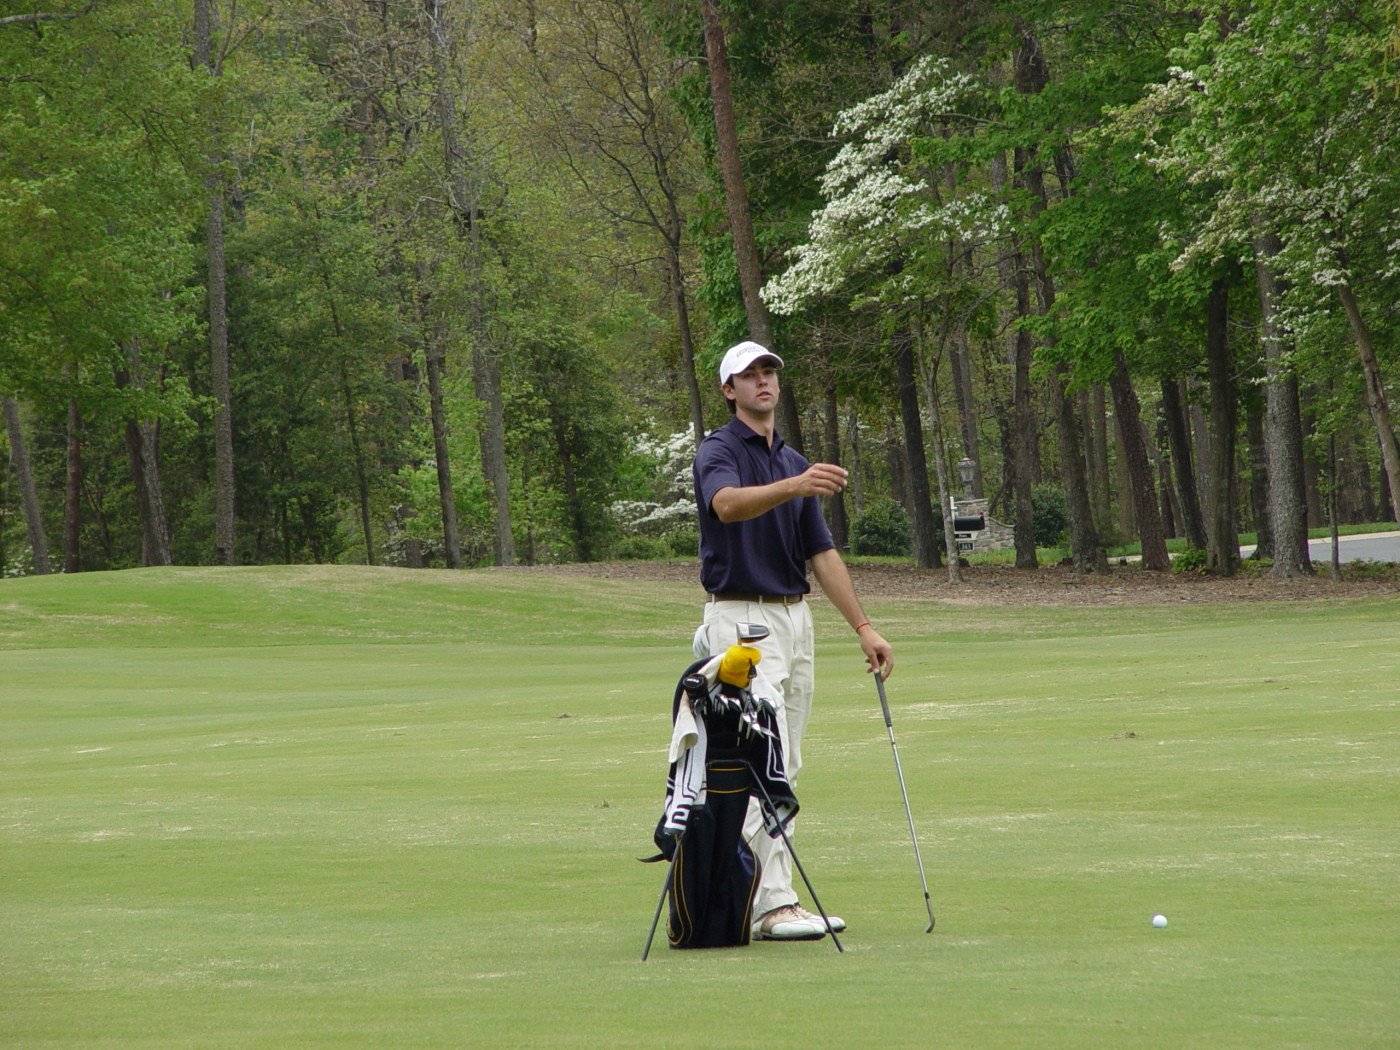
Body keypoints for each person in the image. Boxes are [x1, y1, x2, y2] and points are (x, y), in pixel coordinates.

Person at [692, 339, 894, 941]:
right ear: (729, 390)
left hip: (793, 619)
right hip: (741, 622)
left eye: (769, 372)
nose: (763, 381)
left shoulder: (791, 461)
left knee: (788, 762)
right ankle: (772, 904)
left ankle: (755, 897)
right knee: (760, 761)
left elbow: (821, 554)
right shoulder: (719, 450)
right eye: (749, 375)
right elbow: (726, 506)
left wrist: (863, 626)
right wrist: (795, 486)